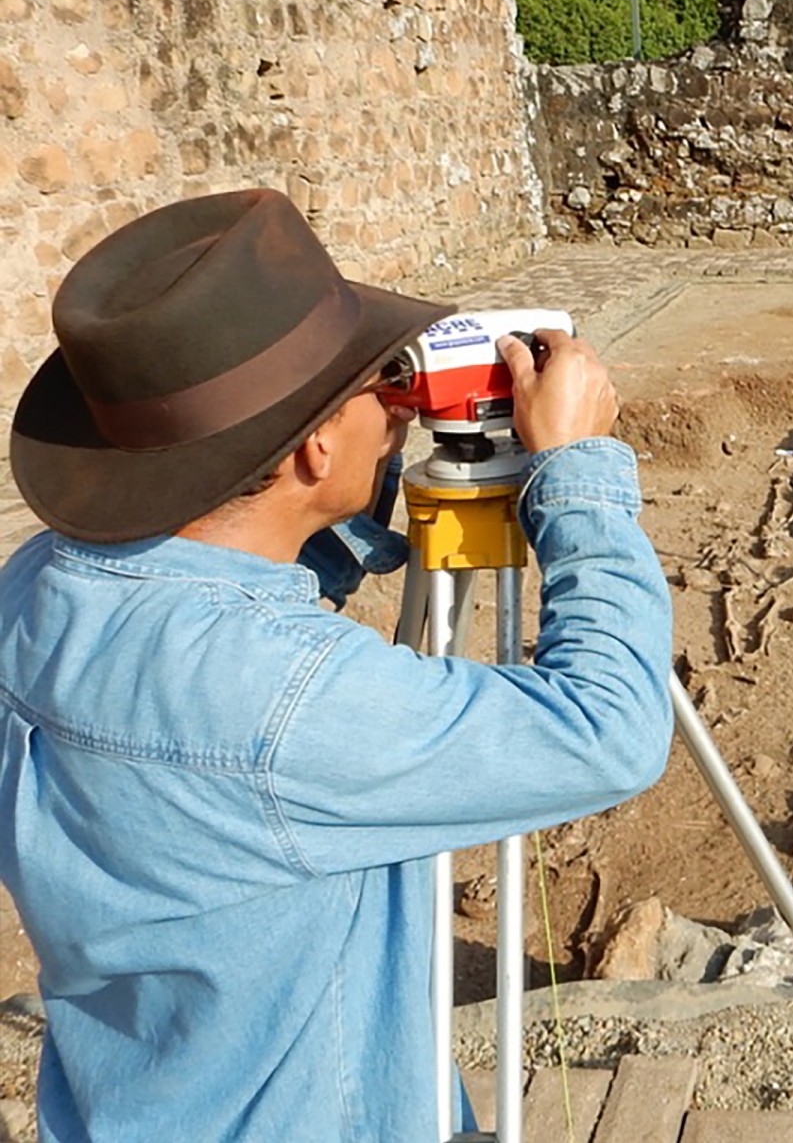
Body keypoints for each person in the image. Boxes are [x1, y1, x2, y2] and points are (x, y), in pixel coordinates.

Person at [0, 190, 674, 1141]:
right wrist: (581, 472)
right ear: (314, 447)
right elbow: (608, 733)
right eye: (372, 383)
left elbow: (240, 573)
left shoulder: (40, 582)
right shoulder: (288, 701)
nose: (393, 393)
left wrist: (359, 468)